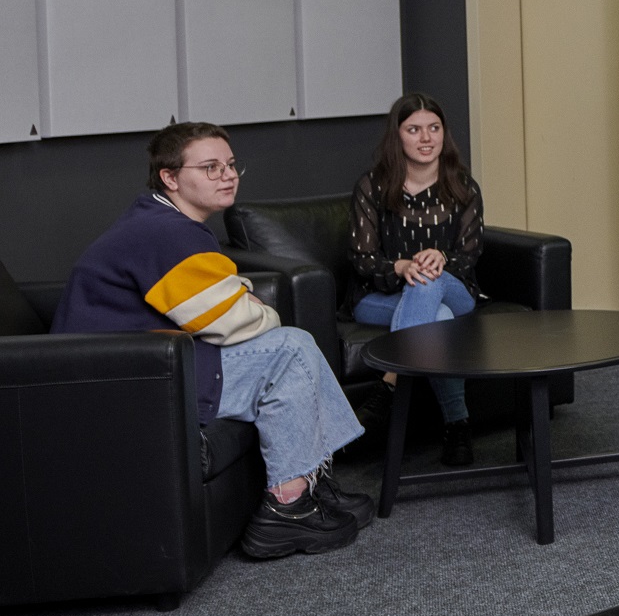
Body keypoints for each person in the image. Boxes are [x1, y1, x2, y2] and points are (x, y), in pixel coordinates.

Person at [53, 122, 371, 558]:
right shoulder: (166, 232)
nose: (228, 175)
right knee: (291, 349)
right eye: (210, 167)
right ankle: (287, 508)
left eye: (231, 165)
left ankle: (311, 478)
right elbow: (229, 321)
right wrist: (263, 310)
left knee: (292, 346)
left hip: (148, 364)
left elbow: (216, 302)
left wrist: (241, 298)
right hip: (130, 381)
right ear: (170, 177)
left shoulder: (162, 220)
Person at [350, 94, 485, 465]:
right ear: (397, 136)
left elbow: (470, 254)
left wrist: (441, 257)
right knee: (439, 319)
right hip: (380, 295)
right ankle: (458, 426)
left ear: (444, 133)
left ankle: (389, 382)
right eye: (414, 130)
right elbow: (362, 260)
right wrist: (400, 267)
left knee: (430, 279)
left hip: (455, 289)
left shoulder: (463, 186)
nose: (426, 138)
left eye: (434, 128)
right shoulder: (372, 187)